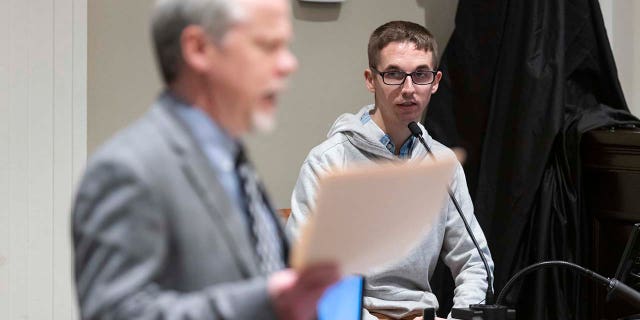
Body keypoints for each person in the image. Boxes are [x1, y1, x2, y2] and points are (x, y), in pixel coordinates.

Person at [71, 0, 340, 319]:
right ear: (199, 48)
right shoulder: (126, 169)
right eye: (268, 45)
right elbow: (114, 313)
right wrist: (265, 301)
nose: (288, 64)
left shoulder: (232, 161)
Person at [286, 21, 494, 320]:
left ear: (435, 82)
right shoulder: (329, 162)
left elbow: (475, 261)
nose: (408, 89)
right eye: (394, 74)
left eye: (420, 75)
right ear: (371, 79)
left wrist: (460, 315)